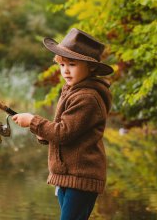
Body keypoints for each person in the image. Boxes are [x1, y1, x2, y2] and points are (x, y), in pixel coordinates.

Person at [12, 28, 113, 220]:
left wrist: (33, 121)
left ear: (91, 67)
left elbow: (63, 132)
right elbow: (65, 131)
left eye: (72, 65)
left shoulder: (87, 97)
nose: (65, 70)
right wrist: (43, 133)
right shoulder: (72, 91)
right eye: (62, 65)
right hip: (67, 176)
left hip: (81, 177)